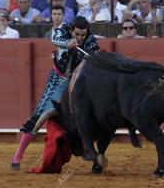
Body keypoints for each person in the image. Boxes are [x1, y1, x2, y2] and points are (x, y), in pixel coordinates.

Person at [10, 16, 100, 170]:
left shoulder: (91, 41)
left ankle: (86, 148)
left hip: (78, 83)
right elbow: (55, 39)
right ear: (71, 30)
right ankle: (17, 157)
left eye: (83, 35)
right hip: (58, 80)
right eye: (77, 34)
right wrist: (67, 42)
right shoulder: (63, 30)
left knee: (86, 114)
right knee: (39, 115)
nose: (79, 38)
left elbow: (95, 58)